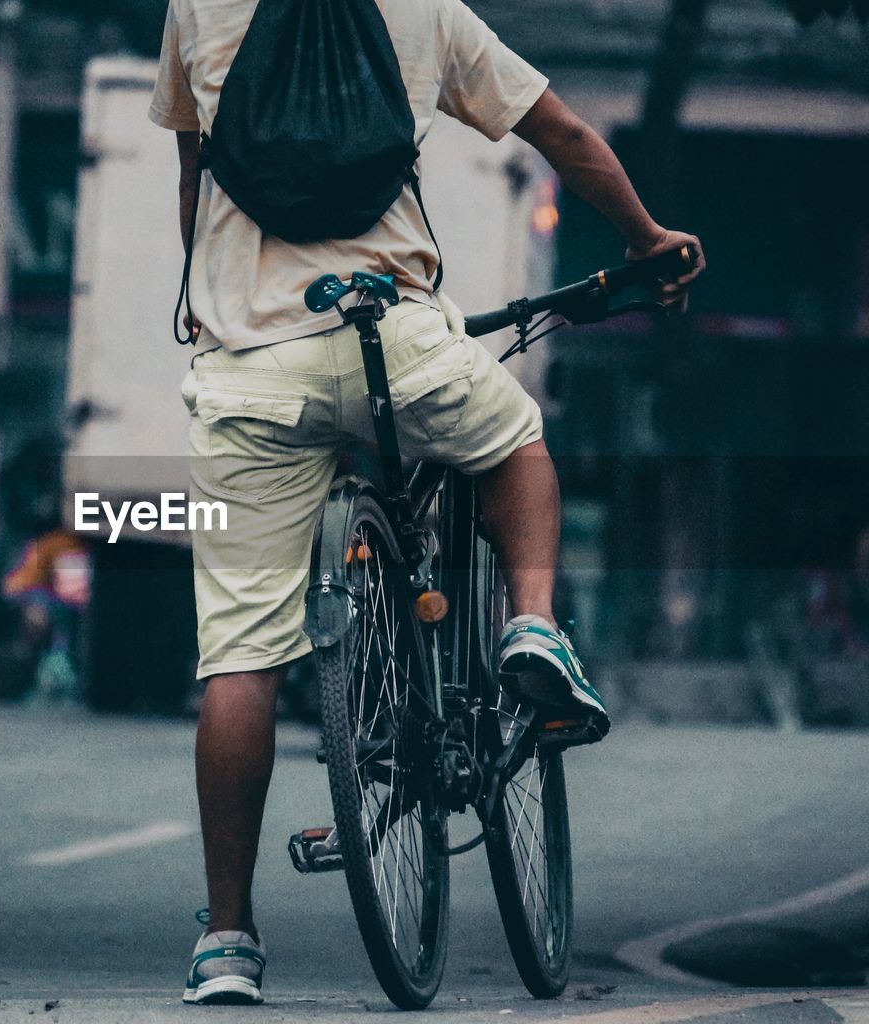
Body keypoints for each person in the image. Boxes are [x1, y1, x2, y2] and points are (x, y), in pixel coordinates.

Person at [149, 0, 705, 1005]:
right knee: (515, 445)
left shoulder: (198, 8)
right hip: (392, 340)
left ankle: (226, 939)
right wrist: (643, 235)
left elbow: (192, 172)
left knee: (237, 656)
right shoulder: (425, 12)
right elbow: (564, 136)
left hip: (248, 374)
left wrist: (210, 301)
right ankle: (530, 627)